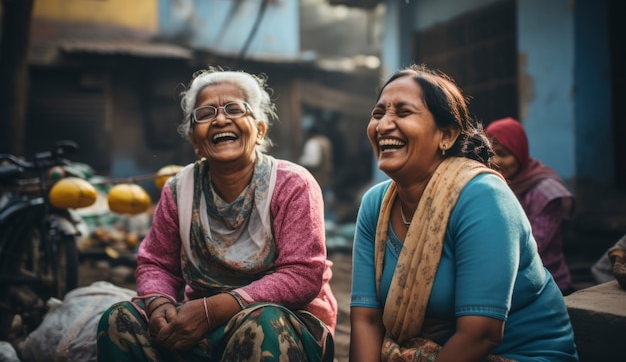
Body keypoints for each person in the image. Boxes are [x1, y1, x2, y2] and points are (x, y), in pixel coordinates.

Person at [97, 67, 337, 362]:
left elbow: (302, 274)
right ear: (195, 141)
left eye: (234, 109)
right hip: (198, 331)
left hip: (283, 327)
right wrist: (159, 305)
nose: (221, 119)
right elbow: (156, 263)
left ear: (260, 129)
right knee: (118, 319)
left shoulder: (291, 184)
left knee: (262, 324)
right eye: (206, 113)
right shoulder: (178, 190)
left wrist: (214, 310)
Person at [350, 64, 578, 362]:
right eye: (378, 113)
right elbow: (366, 319)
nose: (383, 126)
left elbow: (480, 334)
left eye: (403, 113)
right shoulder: (375, 205)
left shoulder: (482, 197)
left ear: (446, 135)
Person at [485, 117, 575, 295]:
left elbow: (533, 246)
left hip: (547, 285)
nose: (496, 161)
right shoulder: (492, 184)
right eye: (490, 154)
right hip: (506, 282)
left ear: (520, 153)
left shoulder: (546, 192)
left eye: (503, 153)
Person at [298, 118, 335, 222]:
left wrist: (301, 161)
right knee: (328, 206)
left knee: (318, 207)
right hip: (327, 178)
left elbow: (314, 162)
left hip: (318, 180)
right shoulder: (325, 140)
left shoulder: (313, 142)